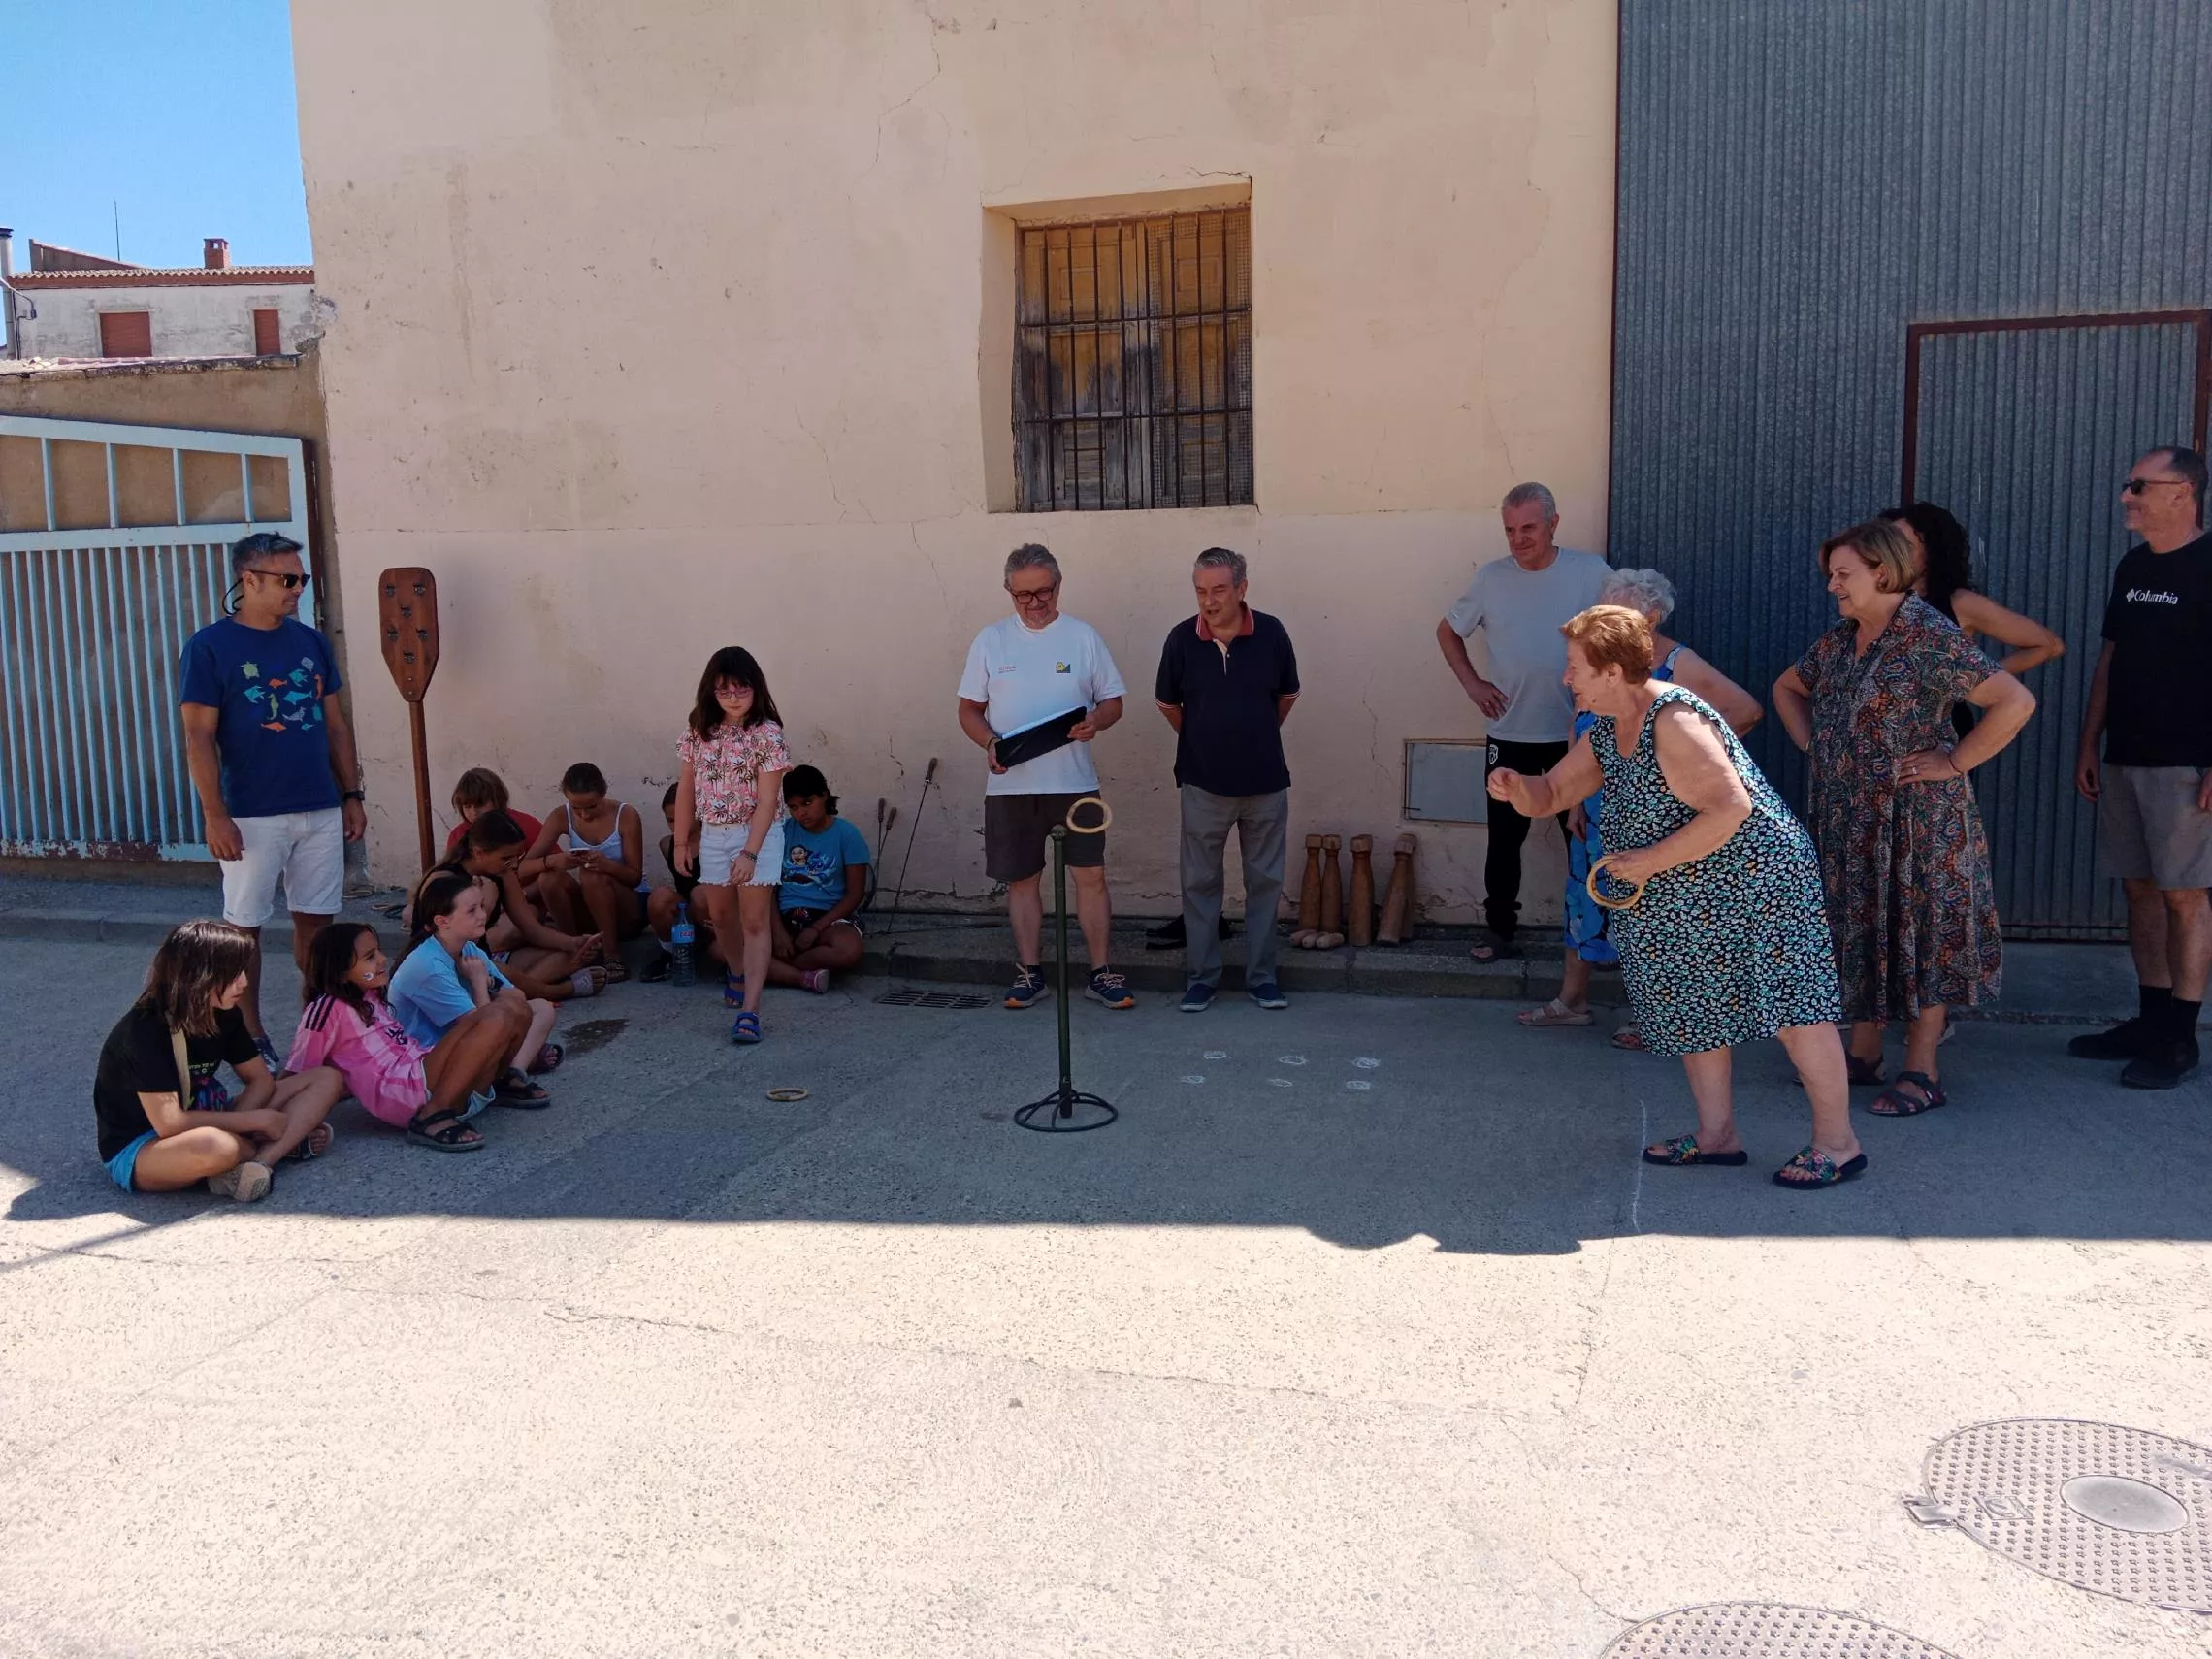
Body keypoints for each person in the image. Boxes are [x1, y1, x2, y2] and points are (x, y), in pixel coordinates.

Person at [1489, 606, 1863, 1188]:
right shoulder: (1610, 728)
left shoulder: (1674, 718)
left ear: (1613, 672)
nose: (1567, 680)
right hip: (1686, 887)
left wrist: (1643, 862)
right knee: (1696, 1007)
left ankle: (1838, 1145)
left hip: (1757, 880)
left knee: (1794, 1011)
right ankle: (1717, 1137)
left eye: (1575, 669)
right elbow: (1555, 790)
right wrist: (1518, 789)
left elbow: (1731, 808)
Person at [1773, 521, 2035, 1115]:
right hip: (1851, 815)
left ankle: (1923, 1069)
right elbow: (1787, 688)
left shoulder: (1926, 635)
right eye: (1831, 575)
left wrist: (1956, 760)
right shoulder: (1842, 639)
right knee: (1863, 926)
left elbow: (2015, 702)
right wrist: (1817, 746)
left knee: (1924, 933)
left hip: (1919, 820)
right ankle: (1864, 1055)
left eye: (1844, 575)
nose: (1833, 586)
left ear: (1883, 573)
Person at [1519, 568, 1761, 1041]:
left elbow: (1745, 710)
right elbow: (1579, 723)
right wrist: (1573, 799)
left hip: (1654, 810)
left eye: (1619, 611)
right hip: (1595, 799)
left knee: (1650, 904)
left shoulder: (1678, 665)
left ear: (1651, 617)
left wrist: (1689, 767)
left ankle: (1649, 1013)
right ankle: (1573, 1000)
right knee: (1584, 896)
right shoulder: (1596, 662)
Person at [179, 531, 367, 1068]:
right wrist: (215, 814)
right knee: (244, 930)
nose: (296, 590)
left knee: (318, 924)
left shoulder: (310, 642)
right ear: (250, 580)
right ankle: (250, 1037)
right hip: (251, 813)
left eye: (300, 579)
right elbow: (198, 737)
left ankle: (320, 1028)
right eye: (287, 580)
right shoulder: (211, 646)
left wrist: (351, 792)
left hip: (319, 806)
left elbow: (335, 724)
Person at [2070, 445, 2212, 1088]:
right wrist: (2088, 742)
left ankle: (2180, 1039)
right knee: (2140, 888)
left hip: (2187, 763)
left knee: (2185, 895)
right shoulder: (2132, 567)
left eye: (2139, 486)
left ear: (2181, 492)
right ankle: (2150, 1019)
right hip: (2125, 754)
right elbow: (2110, 658)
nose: (2127, 496)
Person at [1436, 483, 1611, 962]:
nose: (1518, 538)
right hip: (1510, 733)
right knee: (1504, 842)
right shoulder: (1491, 579)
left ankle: (1597, 939)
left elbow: (1626, 630)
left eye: (1529, 527)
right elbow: (1448, 631)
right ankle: (1500, 931)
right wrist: (1473, 685)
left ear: (1554, 524)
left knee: (1585, 838)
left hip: (1577, 738)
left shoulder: (1590, 572)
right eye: (1510, 530)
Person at [957, 544, 1134, 1011]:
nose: (1035, 603)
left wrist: (1097, 720)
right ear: (1008, 592)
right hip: (1011, 785)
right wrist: (988, 744)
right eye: (1023, 595)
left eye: (1044, 592)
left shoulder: (1083, 636)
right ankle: (1029, 972)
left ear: (1059, 586)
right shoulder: (990, 640)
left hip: (1075, 783)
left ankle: (1101, 973)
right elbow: (969, 710)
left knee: (1091, 876)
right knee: (1022, 880)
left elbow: (1114, 700)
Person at [93, 920, 345, 1202]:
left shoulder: (224, 1012)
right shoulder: (143, 1030)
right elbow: (170, 1124)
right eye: (233, 973)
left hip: (208, 1116)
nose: (244, 983)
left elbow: (260, 1079)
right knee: (216, 1146)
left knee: (326, 1077)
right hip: (144, 1147)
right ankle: (280, 1147)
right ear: (198, 976)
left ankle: (260, 1163)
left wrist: (247, 1121)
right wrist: (253, 1121)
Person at [1155, 546, 1299, 1013]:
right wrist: (1204, 740)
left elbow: (1286, 696)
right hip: (1202, 783)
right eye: (1201, 591)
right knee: (1199, 885)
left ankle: (1262, 978)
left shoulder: (1272, 632)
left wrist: (1252, 735)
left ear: (1241, 588)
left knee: (1264, 884)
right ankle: (1202, 979)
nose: (1209, 600)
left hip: (1265, 783)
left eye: (1219, 589)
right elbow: (1169, 706)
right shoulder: (1180, 639)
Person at [290, 922, 515, 1152]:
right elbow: (298, 1073)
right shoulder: (327, 1007)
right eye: (370, 957)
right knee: (493, 1018)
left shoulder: (369, 996)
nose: (382, 959)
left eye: (378, 951)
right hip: (403, 1091)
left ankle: (496, 1083)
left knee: (511, 1011)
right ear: (340, 972)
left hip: (417, 1072)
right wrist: (298, 1127)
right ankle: (431, 1117)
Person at [672, 646, 792, 1045]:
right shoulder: (698, 731)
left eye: (742, 688)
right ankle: (737, 972)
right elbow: (687, 787)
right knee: (720, 916)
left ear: (756, 688)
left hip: (757, 833)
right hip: (713, 834)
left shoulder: (768, 733)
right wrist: (681, 840)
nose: (734, 697)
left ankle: (750, 1009)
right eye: (724, 690)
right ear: (711, 692)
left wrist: (751, 852)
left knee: (754, 921)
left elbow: (770, 799)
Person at [388, 871, 558, 1107]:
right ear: (442, 921)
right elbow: (485, 1029)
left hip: (462, 1035)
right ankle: (502, 1073)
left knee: (541, 1008)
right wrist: (479, 983)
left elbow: (517, 997)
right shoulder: (428, 966)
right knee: (502, 1018)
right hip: (426, 1060)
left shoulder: (467, 947)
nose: (482, 915)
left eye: (481, 906)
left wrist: (490, 982)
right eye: (471, 911)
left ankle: (511, 1075)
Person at [420, 811, 606, 1011]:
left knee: (572, 955)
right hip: (449, 965)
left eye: (518, 857)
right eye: (506, 858)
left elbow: (531, 929)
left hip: (486, 958)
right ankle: (556, 990)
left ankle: (508, 990)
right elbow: (457, 947)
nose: (514, 865)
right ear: (479, 852)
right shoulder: (444, 880)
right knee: (496, 969)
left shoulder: (502, 874)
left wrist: (573, 942)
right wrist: (486, 902)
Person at [529, 763, 649, 979]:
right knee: (549, 879)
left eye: (592, 806)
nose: (584, 815)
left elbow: (634, 877)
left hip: (628, 910)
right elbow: (524, 867)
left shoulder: (625, 815)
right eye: (576, 808)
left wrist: (608, 867)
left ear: (603, 794)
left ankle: (612, 956)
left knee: (591, 874)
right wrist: (553, 861)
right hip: (591, 911)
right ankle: (573, 950)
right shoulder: (560, 816)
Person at [767, 765, 870, 992]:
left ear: (824, 795)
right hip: (785, 915)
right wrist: (778, 933)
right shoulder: (782, 832)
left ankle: (779, 970)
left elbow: (855, 893)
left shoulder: (847, 834)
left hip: (829, 918)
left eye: (807, 803)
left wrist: (815, 929)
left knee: (848, 950)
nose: (800, 814)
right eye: (793, 807)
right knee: (721, 948)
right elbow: (768, 888)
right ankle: (799, 976)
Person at [644, 782, 719, 982]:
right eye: (670, 820)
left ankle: (722, 954)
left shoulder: (716, 841)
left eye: (683, 819)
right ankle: (670, 954)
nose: (677, 826)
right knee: (659, 896)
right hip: (688, 917)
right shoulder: (667, 844)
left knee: (701, 893)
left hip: (718, 914)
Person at [444, 767, 544, 864]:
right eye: (467, 806)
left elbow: (557, 867)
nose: (474, 812)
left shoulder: (526, 825)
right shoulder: (458, 836)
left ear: (498, 799)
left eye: (480, 804)